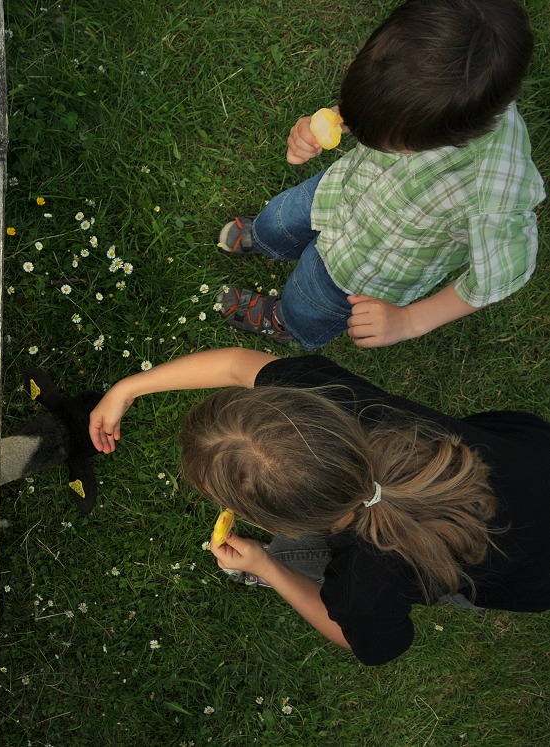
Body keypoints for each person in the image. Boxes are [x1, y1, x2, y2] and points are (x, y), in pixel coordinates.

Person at [88, 348, 550, 665]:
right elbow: (234, 365)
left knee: (452, 564)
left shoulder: (367, 588)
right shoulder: (343, 402)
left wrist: (268, 566)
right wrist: (128, 387)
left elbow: (356, 637)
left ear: (277, 522)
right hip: (526, 457)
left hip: (526, 569)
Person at [216, 0, 544, 349]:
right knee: (278, 220)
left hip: (363, 269)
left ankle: (284, 320)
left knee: (308, 299)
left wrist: (410, 321)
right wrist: (331, 120)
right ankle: (268, 241)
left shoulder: (494, 195)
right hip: (338, 191)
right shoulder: (440, 98)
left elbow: (500, 275)